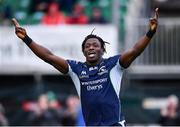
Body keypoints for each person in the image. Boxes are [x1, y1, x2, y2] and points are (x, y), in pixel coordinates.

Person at [11, 8, 159, 126]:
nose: (91, 48)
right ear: (83, 51)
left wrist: (150, 33)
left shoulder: (113, 65)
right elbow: (48, 57)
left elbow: (134, 51)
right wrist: (27, 39)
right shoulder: (76, 69)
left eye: (95, 45)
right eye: (87, 46)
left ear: (103, 50)